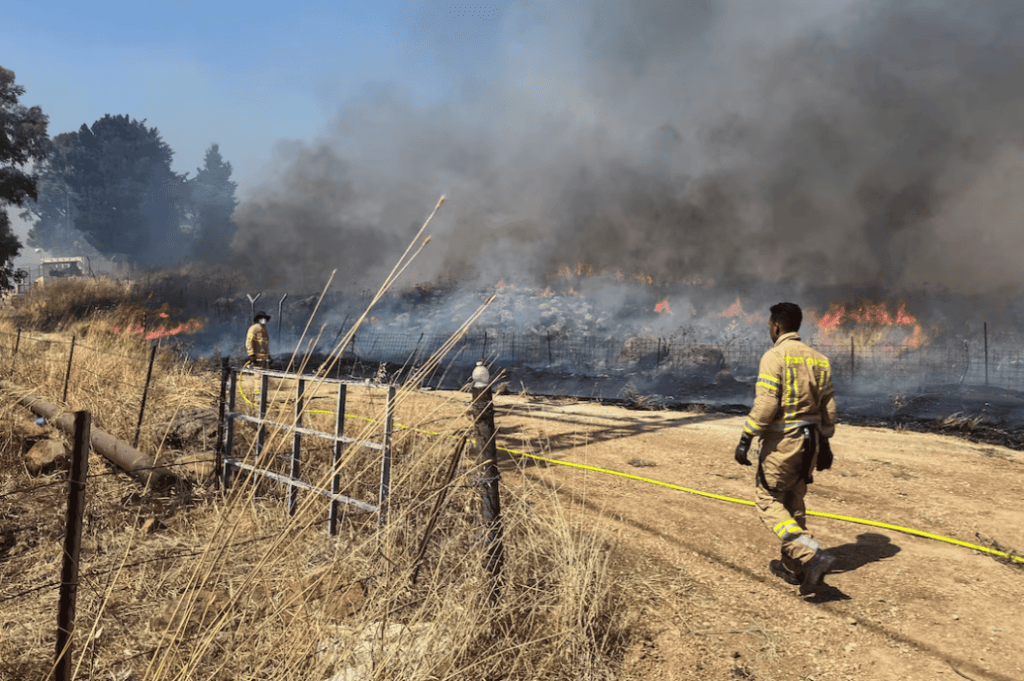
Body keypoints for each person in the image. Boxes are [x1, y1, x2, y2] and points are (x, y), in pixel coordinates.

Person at [733, 302, 838, 594]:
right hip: (810, 443)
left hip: (784, 445)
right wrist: (826, 443)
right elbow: (829, 407)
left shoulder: (775, 356)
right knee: (793, 500)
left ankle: (811, 554)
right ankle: (794, 568)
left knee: (767, 500)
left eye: (770, 325)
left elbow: (767, 404)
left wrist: (747, 437)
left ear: (776, 326)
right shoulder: (819, 360)